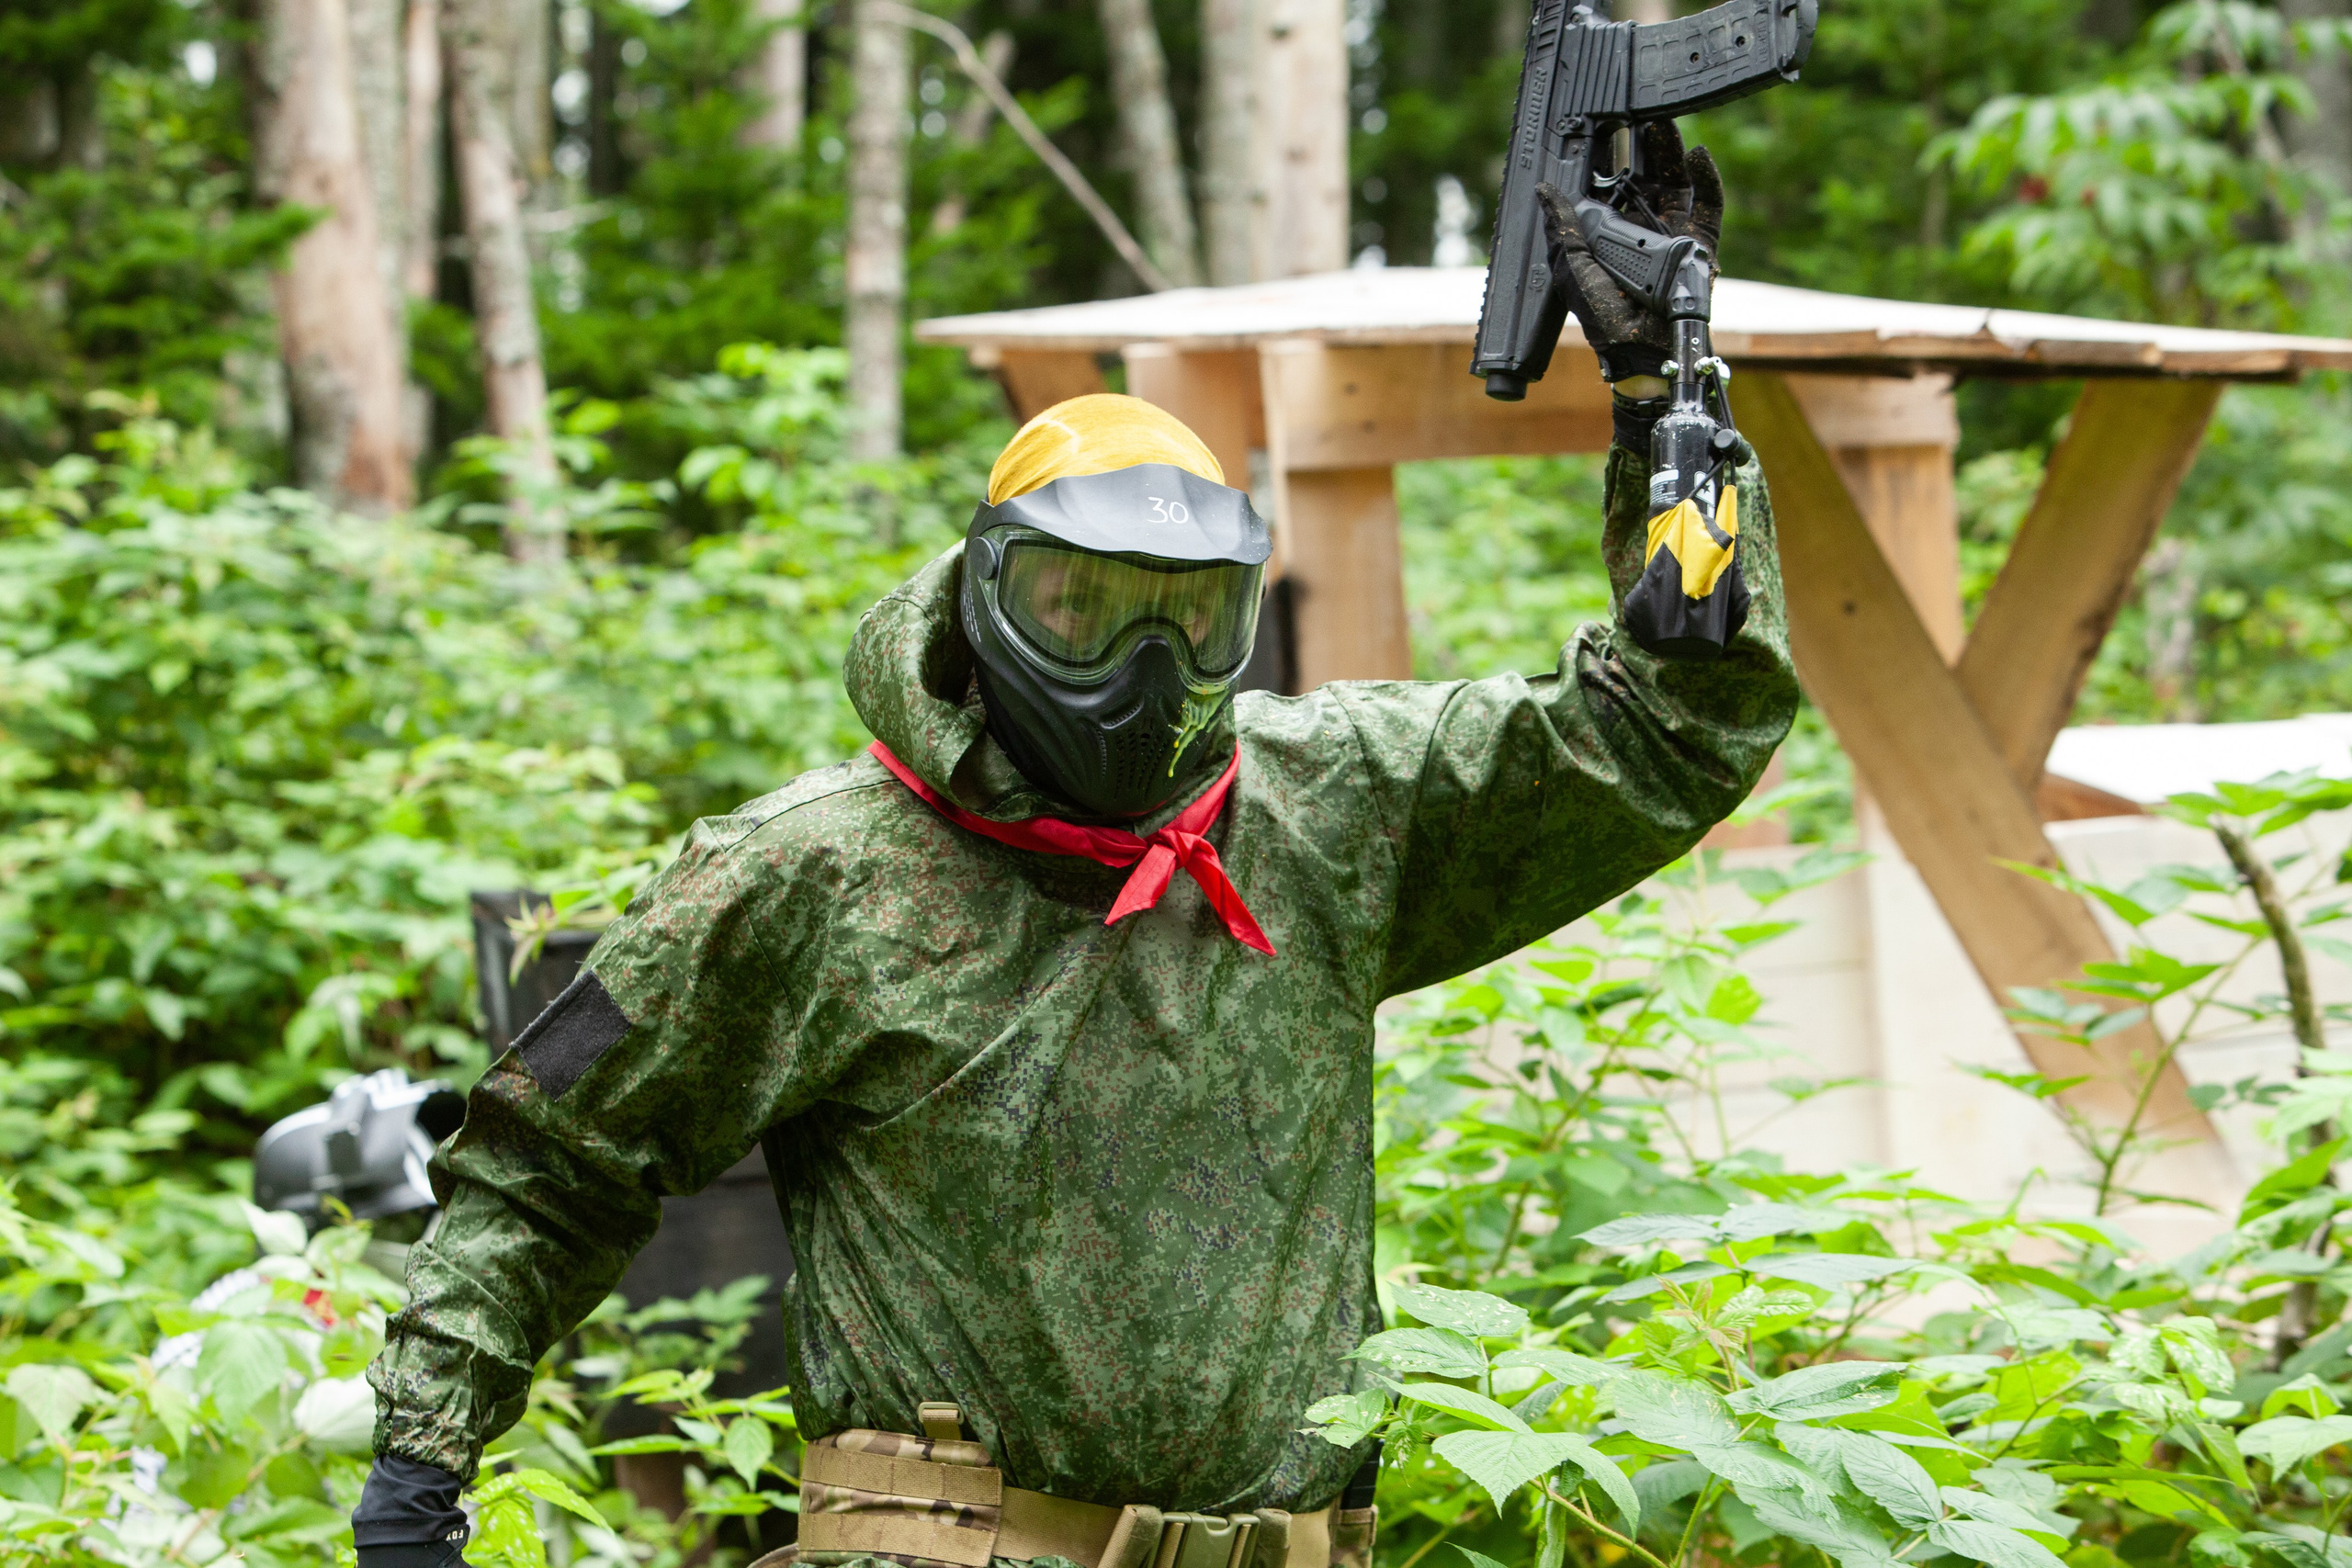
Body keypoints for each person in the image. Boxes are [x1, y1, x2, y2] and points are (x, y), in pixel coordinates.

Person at [351, 126, 1795, 1568]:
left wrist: (1671, 394)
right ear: (984, 598)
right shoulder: (817, 873)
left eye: (1188, 617)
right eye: (1079, 608)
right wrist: (418, 1485)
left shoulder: (1328, 812)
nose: (1142, 672)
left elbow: (1671, 725)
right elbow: (549, 1165)